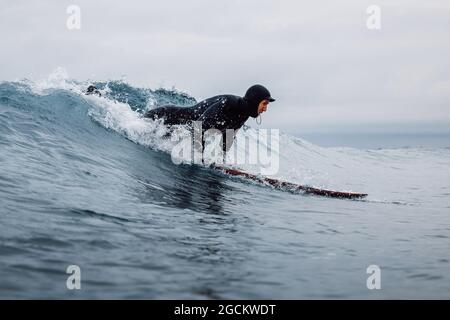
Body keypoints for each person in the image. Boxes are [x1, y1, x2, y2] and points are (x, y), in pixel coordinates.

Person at [145, 84, 275, 152]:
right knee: (143, 137)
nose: (265, 108)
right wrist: (199, 157)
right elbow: (198, 127)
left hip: (174, 128)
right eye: (264, 103)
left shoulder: (243, 115)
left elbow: (227, 139)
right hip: (165, 117)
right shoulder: (229, 103)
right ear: (254, 101)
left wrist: (222, 163)